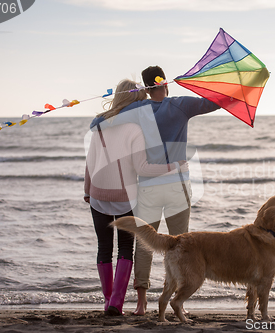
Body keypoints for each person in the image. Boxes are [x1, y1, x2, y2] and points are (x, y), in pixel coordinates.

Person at [84, 79, 187, 316]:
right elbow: (142, 169)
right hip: (124, 198)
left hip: (98, 194)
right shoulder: (134, 129)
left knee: (103, 247)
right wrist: (174, 166)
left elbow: (89, 163)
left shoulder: (99, 126)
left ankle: (108, 300)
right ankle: (116, 303)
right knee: (125, 248)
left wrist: (87, 191)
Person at [132, 66, 221, 315]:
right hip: (176, 183)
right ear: (165, 83)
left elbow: (107, 119)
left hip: (147, 185)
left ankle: (141, 304)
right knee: (179, 245)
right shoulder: (181, 104)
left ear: (146, 86)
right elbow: (216, 102)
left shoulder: (138, 110)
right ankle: (173, 301)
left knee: (145, 244)